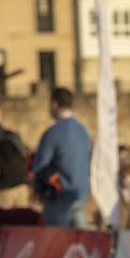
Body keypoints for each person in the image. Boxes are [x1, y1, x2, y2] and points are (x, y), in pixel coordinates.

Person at [32, 87, 91, 228]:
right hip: (81, 194)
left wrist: (37, 188)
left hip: (59, 196)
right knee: (81, 241)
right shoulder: (83, 131)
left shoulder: (53, 133)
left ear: (54, 104)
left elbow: (40, 166)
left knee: (58, 243)